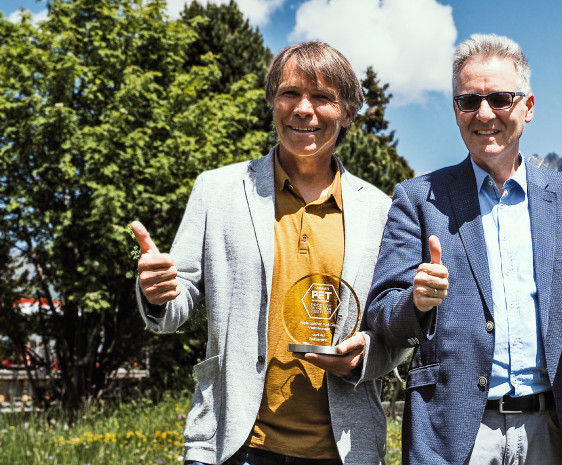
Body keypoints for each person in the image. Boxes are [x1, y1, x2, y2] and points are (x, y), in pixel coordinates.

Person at [132, 41, 405, 465]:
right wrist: (159, 294)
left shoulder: (380, 210)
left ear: (347, 113)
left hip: (344, 450)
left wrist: (363, 356)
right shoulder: (217, 190)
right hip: (231, 443)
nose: (303, 109)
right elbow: (177, 302)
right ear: (273, 102)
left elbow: (394, 328)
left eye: (323, 97)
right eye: (290, 93)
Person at [366, 33, 562, 465]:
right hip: (452, 435)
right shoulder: (417, 200)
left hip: (554, 430)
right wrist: (417, 301)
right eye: (469, 101)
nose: (484, 114)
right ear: (455, 111)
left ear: (528, 107)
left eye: (500, 99)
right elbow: (382, 314)